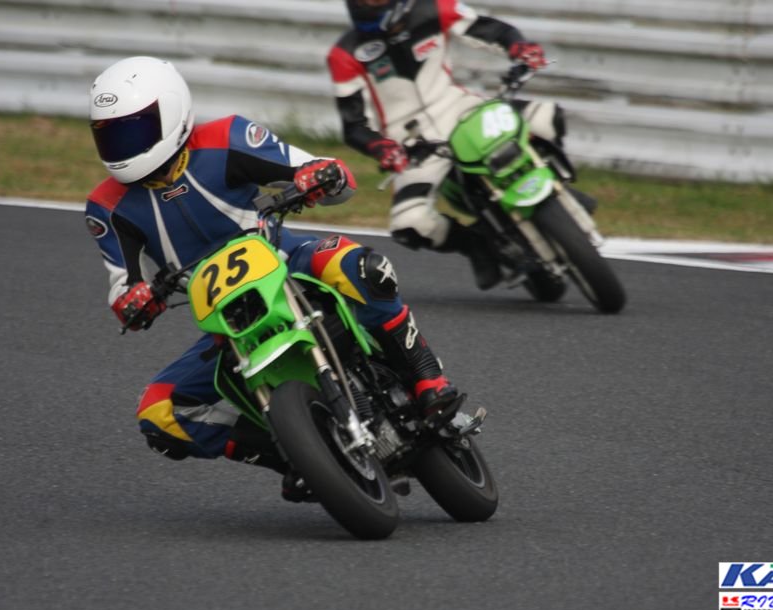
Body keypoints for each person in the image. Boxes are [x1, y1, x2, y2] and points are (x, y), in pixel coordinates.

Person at [84, 56, 457, 501]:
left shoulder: (227, 138)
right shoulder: (106, 207)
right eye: (110, 135)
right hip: (227, 323)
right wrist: (134, 301)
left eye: (133, 131)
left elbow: (326, 172)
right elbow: (122, 287)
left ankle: (427, 378)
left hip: (289, 261)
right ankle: (297, 455)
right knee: (158, 412)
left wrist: (321, 176)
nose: (122, 146)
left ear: (172, 111)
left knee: (362, 267)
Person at [328, 0, 578, 290]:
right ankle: (476, 246)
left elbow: (492, 29)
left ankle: (559, 187)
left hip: (460, 109)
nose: (366, 4)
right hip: (410, 142)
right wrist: (383, 148)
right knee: (410, 223)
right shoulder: (343, 54)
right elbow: (353, 127)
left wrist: (519, 47)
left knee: (548, 117)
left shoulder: (434, 9)